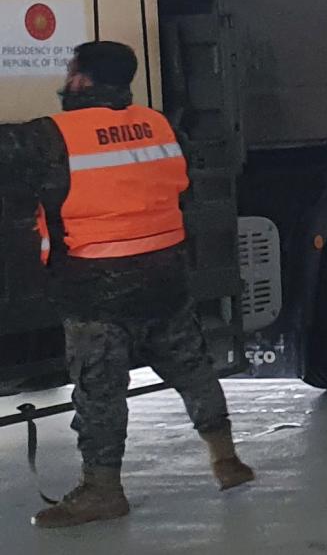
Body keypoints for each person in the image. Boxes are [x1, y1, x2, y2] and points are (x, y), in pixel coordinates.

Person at [8, 42, 254, 529]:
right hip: (164, 277)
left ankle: (103, 491)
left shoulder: (51, 136)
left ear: (80, 80)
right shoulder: (161, 126)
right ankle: (226, 461)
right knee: (192, 368)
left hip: (94, 287)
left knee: (100, 391)